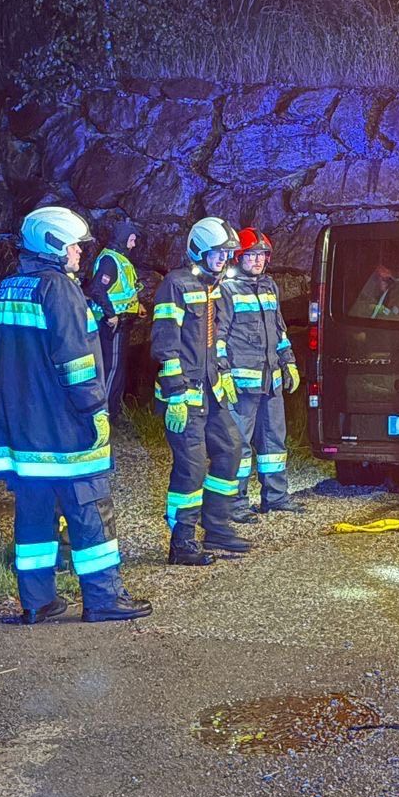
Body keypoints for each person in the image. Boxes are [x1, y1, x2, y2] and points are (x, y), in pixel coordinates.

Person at [0, 206, 150, 624]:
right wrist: (94, 410)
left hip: (21, 429)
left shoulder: (5, 289)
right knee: (89, 508)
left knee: (34, 513)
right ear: (54, 245)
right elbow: (76, 362)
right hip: (64, 428)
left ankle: (38, 601)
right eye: (74, 245)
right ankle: (104, 598)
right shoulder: (59, 289)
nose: (79, 252)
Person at [151, 216, 250, 564]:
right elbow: (165, 344)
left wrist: (222, 373)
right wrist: (175, 393)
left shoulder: (215, 287)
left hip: (212, 390)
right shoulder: (175, 286)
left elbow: (216, 339)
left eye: (226, 254)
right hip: (184, 396)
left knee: (231, 449)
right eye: (217, 254)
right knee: (191, 467)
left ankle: (217, 527)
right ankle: (182, 541)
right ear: (198, 252)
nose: (224, 260)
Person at [224, 228, 304, 515]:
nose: (258, 261)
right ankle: (235, 504)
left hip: (271, 381)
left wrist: (289, 362)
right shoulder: (227, 289)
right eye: (251, 255)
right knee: (239, 446)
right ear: (238, 257)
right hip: (242, 384)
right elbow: (218, 338)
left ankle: (276, 498)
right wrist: (223, 374)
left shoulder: (269, 286)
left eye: (261, 255)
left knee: (274, 442)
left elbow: (279, 330)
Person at [83, 216, 144, 424]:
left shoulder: (118, 258)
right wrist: (111, 314)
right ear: (124, 237)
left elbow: (123, 291)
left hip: (121, 322)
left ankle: (114, 413)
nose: (134, 243)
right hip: (111, 325)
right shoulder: (110, 260)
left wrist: (137, 306)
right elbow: (97, 289)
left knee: (117, 369)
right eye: (132, 239)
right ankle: (104, 415)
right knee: (111, 368)